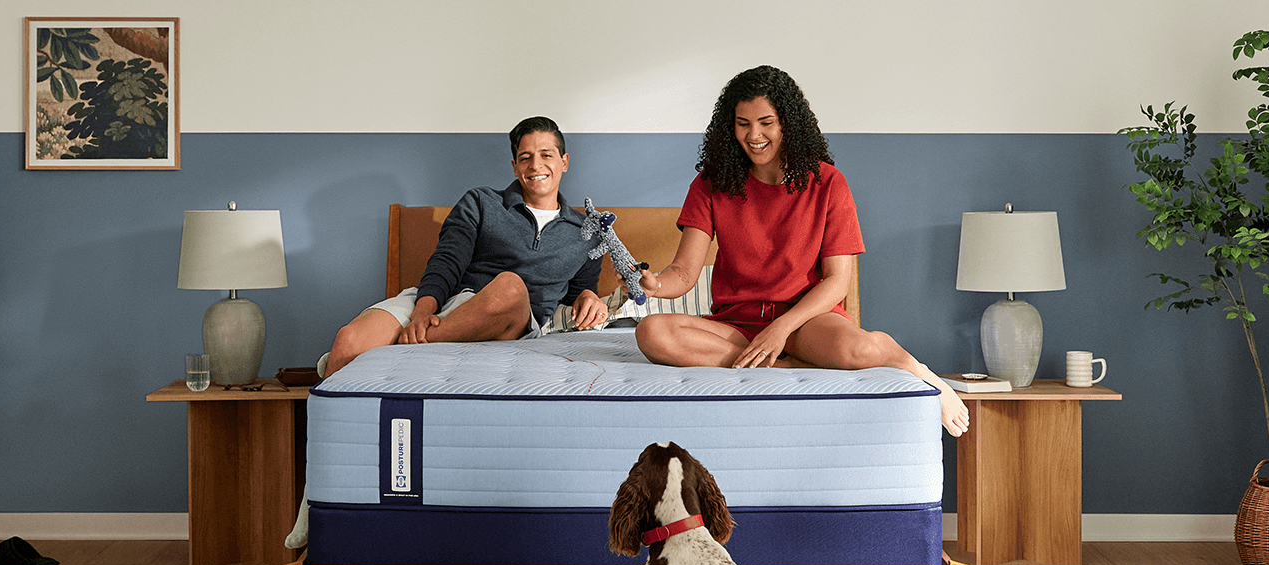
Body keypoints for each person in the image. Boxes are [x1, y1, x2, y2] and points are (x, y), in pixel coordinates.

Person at [634, 66, 970, 436]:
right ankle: (785, 368)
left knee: (859, 351)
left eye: (766, 123)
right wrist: (654, 285)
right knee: (652, 332)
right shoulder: (711, 183)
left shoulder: (828, 182)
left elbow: (838, 281)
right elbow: (683, 273)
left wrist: (781, 328)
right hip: (737, 325)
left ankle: (922, 373)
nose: (754, 135)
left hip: (806, 321)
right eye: (743, 124)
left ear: (787, 124)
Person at [323, 116, 609, 375]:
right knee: (349, 341)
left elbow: (578, 294)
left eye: (546, 155)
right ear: (515, 166)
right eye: (525, 158)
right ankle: (329, 430)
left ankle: (404, 349)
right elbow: (447, 260)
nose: (536, 165)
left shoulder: (587, 230)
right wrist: (423, 313)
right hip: (448, 300)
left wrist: (588, 297)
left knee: (509, 285)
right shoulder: (481, 202)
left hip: (509, 317)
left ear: (564, 161)